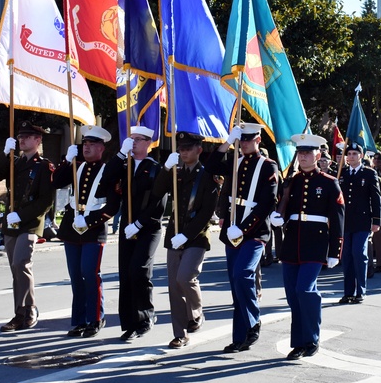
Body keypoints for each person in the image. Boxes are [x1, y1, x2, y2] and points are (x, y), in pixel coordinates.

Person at [138, 131, 220, 349]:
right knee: (174, 286)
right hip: (175, 234)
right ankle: (180, 334)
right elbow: (157, 191)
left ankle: (196, 312)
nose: (183, 152)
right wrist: (166, 169)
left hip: (196, 236)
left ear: (199, 150)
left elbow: (206, 212)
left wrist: (188, 233)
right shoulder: (176, 172)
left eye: (188, 148)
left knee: (185, 278)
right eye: (181, 149)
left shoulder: (208, 175)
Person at [271, 133, 344, 359]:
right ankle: (299, 343)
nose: (303, 157)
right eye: (300, 153)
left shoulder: (329, 183)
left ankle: (312, 338)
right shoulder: (291, 182)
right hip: (292, 242)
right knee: (293, 295)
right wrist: (277, 216)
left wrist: (335, 250)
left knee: (305, 290)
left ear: (318, 155)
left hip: (316, 242)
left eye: (308, 153)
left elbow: (338, 217)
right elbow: (282, 207)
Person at [210, 123, 278, 354]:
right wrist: (228, 141)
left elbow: (268, 202)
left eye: (249, 139)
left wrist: (244, 228)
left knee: (243, 274)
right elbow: (210, 166)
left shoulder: (268, 166)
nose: (245, 143)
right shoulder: (235, 162)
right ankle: (240, 337)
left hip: (254, 231)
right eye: (242, 139)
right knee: (235, 283)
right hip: (232, 230)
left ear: (258, 140)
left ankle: (253, 320)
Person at [53, 125, 121, 338]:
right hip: (72, 229)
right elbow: (56, 182)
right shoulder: (76, 166)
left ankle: (95, 318)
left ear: (102, 148)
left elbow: (112, 206)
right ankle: (80, 320)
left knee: (89, 274)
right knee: (75, 276)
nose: (87, 148)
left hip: (93, 231)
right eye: (85, 145)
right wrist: (66, 161)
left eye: (92, 145)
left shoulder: (108, 170)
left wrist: (90, 221)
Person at [0, 122, 54, 333]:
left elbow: (45, 201)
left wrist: (22, 214)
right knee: (15, 269)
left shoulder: (44, 166)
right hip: (11, 224)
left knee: (21, 263)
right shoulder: (14, 162)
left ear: (38, 140)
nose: (22, 139)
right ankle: (20, 312)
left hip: (30, 223)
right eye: (20, 136)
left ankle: (29, 308)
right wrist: (5, 153)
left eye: (27, 136)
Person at [111, 126, 166, 342]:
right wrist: (118, 155)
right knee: (125, 273)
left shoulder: (155, 168)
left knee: (139, 271)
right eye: (130, 138)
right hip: (127, 225)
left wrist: (140, 223)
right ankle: (129, 323)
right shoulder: (124, 165)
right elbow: (106, 179)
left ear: (148, 143)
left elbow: (158, 203)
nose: (133, 142)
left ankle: (145, 317)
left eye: (138, 139)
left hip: (148, 227)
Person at [338, 142, 381, 304]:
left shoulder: (369, 174)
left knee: (359, 254)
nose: (351, 157)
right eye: (348, 154)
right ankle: (348, 292)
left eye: (354, 154)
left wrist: (376, 220)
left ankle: (360, 291)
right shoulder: (341, 174)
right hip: (346, 222)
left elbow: (376, 199)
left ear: (361, 156)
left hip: (363, 222)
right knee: (347, 256)